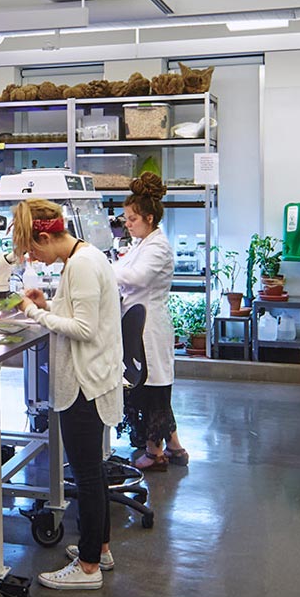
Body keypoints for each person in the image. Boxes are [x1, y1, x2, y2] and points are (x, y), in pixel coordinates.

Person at [15, 199, 124, 591]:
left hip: (85, 382)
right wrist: (50, 304)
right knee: (91, 469)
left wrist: (31, 311)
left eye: (32, 250)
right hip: (94, 376)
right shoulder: (85, 257)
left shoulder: (80, 265)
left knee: (87, 474)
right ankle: (102, 548)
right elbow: (80, 310)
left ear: (46, 236)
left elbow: (83, 328)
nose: (34, 259)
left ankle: (89, 567)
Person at [114, 173, 190, 471]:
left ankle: (155, 453)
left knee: (152, 389)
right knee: (154, 387)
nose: (127, 223)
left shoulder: (158, 246)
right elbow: (124, 267)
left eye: (132, 218)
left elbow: (137, 277)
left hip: (150, 328)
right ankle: (175, 448)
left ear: (148, 217)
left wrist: (101, 271)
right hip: (139, 322)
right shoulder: (143, 243)